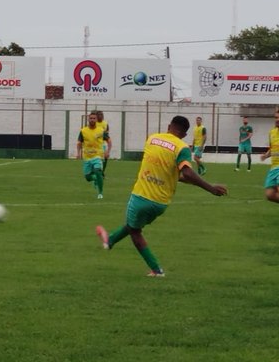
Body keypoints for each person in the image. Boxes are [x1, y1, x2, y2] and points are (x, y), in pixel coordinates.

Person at [94, 116, 227, 277]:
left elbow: (185, 172)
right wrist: (210, 187)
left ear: (169, 126)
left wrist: (211, 189)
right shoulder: (182, 147)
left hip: (141, 196)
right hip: (160, 203)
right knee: (133, 226)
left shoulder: (152, 138)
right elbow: (182, 174)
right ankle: (110, 241)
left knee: (135, 232)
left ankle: (156, 270)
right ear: (184, 134)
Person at [77, 111, 111, 199]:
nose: (92, 120)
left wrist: (107, 151)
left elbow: (109, 141)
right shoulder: (83, 131)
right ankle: (95, 178)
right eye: (91, 118)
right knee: (87, 177)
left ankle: (100, 193)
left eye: (94, 118)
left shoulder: (101, 130)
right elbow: (79, 143)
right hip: (87, 157)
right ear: (88, 119)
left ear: (96, 120)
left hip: (98, 155)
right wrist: (78, 153)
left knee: (98, 171)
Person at [96, 110, 110, 175]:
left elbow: (107, 135)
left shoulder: (105, 124)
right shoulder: (94, 123)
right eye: (99, 115)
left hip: (103, 143)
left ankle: (102, 172)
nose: (101, 116)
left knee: (106, 157)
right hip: (95, 144)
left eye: (102, 115)